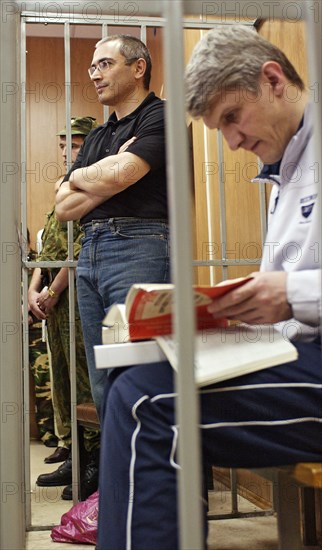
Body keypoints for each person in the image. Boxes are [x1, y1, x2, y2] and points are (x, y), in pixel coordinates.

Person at [96, 25, 322, 549]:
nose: (232, 141)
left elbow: (296, 290)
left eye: (231, 118)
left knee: (146, 402)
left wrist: (290, 294)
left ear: (273, 80)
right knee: (137, 376)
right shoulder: (285, 166)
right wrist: (231, 317)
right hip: (301, 350)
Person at [55, 35, 170, 416]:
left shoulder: (159, 115)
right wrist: (108, 175)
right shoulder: (100, 135)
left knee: (137, 372)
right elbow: (63, 207)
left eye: (105, 64)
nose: (95, 75)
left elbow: (125, 172)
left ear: (138, 68)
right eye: (92, 67)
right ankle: (120, 474)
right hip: (91, 250)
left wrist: (86, 178)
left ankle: (153, 475)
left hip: (139, 245)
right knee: (104, 380)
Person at [28, 117, 101, 501]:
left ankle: (94, 459)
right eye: (61, 145)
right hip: (53, 299)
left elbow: (79, 249)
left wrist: (53, 290)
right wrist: (33, 287)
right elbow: (49, 247)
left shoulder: (92, 185)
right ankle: (73, 450)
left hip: (75, 294)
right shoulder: (62, 188)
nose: (64, 152)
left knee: (83, 375)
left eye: (72, 145)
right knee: (62, 376)